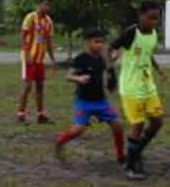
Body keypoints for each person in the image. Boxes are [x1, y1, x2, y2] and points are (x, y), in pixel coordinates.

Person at [109, 0, 167, 181]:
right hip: (131, 86)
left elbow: (148, 53)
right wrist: (110, 71)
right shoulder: (131, 33)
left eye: (156, 19)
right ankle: (132, 165)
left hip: (147, 85)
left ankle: (136, 151)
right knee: (138, 124)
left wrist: (158, 69)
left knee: (157, 122)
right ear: (140, 16)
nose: (153, 22)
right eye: (150, 18)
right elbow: (109, 48)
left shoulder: (154, 34)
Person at [52, 29, 126, 165]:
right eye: (96, 42)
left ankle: (121, 155)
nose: (100, 45)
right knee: (77, 131)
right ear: (88, 43)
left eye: (102, 42)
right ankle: (60, 140)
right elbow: (68, 76)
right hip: (84, 102)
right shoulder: (81, 58)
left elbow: (108, 64)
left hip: (101, 101)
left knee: (118, 126)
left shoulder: (102, 58)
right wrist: (78, 78)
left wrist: (117, 56)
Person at [17, 0, 56, 124]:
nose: (48, 7)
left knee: (40, 86)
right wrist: (27, 55)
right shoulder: (30, 18)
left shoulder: (49, 21)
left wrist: (52, 58)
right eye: (46, 4)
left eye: (50, 5)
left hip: (40, 59)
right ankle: (20, 114)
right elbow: (22, 37)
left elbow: (49, 41)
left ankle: (40, 114)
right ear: (39, 4)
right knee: (27, 85)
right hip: (29, 57)